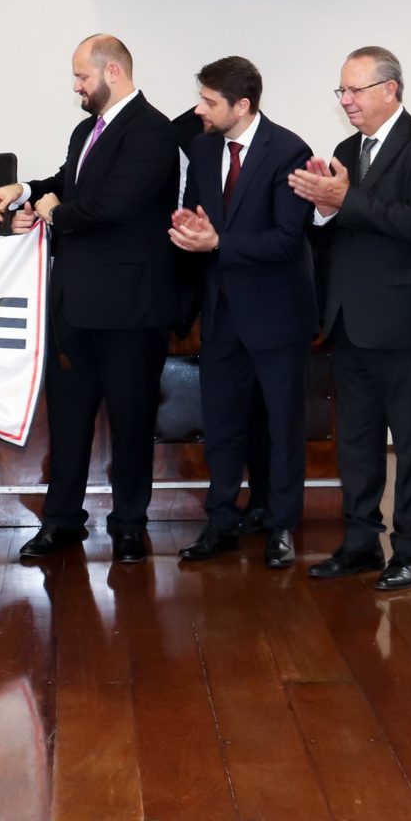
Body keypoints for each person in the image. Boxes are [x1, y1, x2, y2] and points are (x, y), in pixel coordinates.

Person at [0, 34, 177, 564]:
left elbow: (111, 205)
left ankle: (130, 524)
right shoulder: (86, 130)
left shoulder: (152, 131)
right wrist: (26, 192)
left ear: (112, 72)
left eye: (82, 76)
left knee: (132, 420)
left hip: (131, 307)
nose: (76, 87)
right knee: (67, 418)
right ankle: (62, 520)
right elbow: (68, 183)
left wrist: (53, 213)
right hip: (76, 303)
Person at [288, 46, 411, 591]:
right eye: (342, 91)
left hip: (404, 321)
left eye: (355, 90)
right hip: (348, 317)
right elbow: (341, 229)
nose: (346, 101)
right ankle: (359, 542)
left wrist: (345, 199)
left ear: (390, 89)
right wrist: (322, 209)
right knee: (355, 440)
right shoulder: (345, 149)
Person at [168, 56, 314, 570]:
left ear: (242, 105)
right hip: (222, 312)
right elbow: (200, 214)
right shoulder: (204, 148)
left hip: (277, 315)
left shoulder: (290, 151)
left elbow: (286, 239)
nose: (199, 110)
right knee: (223, 424)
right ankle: (221, 521)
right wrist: (191, 230)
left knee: (283, 426)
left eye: (209, 102)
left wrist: (218, 243)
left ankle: (282, 525)